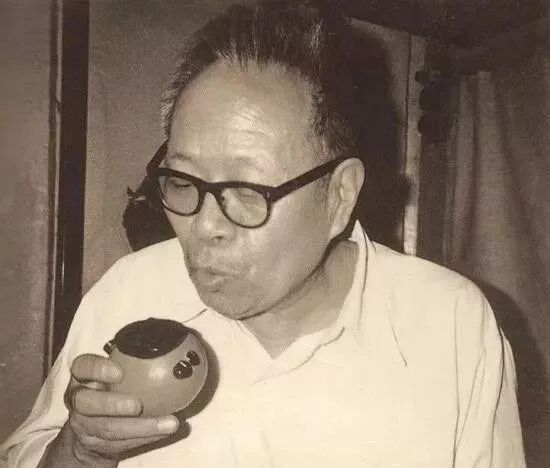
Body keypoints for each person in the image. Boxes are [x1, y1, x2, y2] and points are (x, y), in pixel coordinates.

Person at [1, 1, 525, 466]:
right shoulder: (129, 291)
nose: (205, 227)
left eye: (248, 191)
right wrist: (82, 452)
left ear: (340, 195)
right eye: (182, 182)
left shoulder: (451, 324)